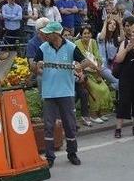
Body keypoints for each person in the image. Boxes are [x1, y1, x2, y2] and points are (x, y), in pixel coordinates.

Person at [33, 21, 93, 167]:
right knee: (48, 125)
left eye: (48, 33)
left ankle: (72, 153)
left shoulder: (71, 47)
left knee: (69, 124)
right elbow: (33, 67)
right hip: (49, 93)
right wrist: (37, 66)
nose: (45, 35)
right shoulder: (42, 48)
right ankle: (49, 157)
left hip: (66, 92)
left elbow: (86, 62)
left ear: (56, 34)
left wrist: (79, 66)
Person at [74, 25, 114, 123]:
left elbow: (98, 56)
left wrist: (98, 65)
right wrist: (90, 66)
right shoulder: (76, 44)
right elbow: (77, 61)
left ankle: (100, 113)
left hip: (96, 71)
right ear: (81, 35)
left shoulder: (93, 42)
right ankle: (93, 114)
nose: (87, 35)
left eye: (88, 33)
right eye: (84, 33)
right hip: (83, 72)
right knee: (96, 90)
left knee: (104, 89)